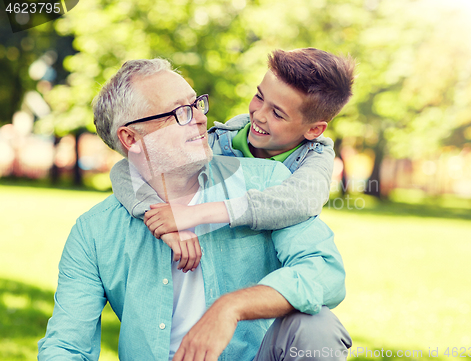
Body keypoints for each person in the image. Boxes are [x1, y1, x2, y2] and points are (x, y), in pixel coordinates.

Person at [38, 59, 352, 361]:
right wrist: (156, 216)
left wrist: (231, 306)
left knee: (316, 326)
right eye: (180, 113)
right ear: (130, 137)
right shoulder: (95, 231)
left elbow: (326, 273)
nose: (201, 119)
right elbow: (66, 346)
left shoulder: (269, 181)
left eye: (196, 104)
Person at [110, 48, 356, 271]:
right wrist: (163, 222)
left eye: (277, 114)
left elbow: (299, 201)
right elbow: (126, 170)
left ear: (313, 130)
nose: (258, 115)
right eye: (259, 97)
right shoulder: (220, 141)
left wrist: (194, 214)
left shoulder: (315, 156)